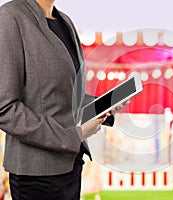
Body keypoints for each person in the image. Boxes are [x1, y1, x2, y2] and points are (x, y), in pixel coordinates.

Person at [0, 0, 121, 199]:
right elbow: (5, 109)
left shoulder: (65, 22)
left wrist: (105, 104)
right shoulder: (10, 16)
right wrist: (74, 136)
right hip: (36, 176)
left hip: (71, 166)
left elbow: (69, 97)